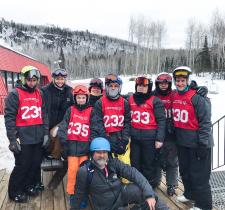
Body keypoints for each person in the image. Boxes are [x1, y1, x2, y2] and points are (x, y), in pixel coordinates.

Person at [71, 137, 169, 210]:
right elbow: (78, 195)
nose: (102, 155)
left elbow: (135, 174)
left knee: (142, 190)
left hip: (121, 195)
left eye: (104, 152)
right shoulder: (85, 171)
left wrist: (149, 195)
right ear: (92, 153)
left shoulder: (113, 163)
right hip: (106, 206)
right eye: (98, 152)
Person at [4, 66, 49, 202]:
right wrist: (12, 139)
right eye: (29, 80)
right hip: (23, 138)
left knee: (35, 164)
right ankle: (15, 191)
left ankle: (29, 185)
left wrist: (46, 133)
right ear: (23, 79)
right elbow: (9, 118)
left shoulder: (39, 94)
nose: (31, 83)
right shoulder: (15, 94)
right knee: (23, 165)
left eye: (34, 80)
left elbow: (44, 114)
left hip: (38, 136)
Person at [172, 66, 213, 210]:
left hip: (198, 143)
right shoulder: (174, 95)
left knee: (199, 176)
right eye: (178, 81)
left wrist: (203, 143)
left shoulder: (196, 97)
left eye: (183, 80)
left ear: (188, 80)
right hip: (183, 142)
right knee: (185, 171)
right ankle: (190, 194)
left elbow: (205, 122)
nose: (180, 83)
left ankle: (204, 205)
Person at [56, 84, 93, 209]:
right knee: (72, 172)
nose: (81, 100)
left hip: (85, 150)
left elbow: (95, 129)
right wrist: (64, 144)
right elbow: (62, 128)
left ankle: (83, 196)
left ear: (87, 98)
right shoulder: (70, 110)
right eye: (78, 98)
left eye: (83, 97)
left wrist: (91, 146)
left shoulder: (91, 111)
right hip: (72, 149)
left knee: (84, 174)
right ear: (75, 98)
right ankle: (73, 196)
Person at [129, 76, 166, 188]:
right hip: (135, 138)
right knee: (135, 163)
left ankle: (149, 187)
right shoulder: (130, 99)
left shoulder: (155, 101)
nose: (141, 88)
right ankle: (137, 186)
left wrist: (159, 138)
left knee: (148, 164)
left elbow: (161, 121)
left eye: (144, 86)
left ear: (149, 87)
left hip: (149, 139)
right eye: (139, 86)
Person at [91, 73, 131, 156]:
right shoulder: (100, 102)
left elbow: (127, 123)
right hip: (106, 139)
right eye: (111, 86)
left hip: (121, 139)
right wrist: (107, 140)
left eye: (116, 86)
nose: (113, 88)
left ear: (119, 87)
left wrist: (124, 140)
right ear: (106, 87)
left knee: (125, 166)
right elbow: (98, 124)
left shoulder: (125, 103)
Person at [153, 72, 178, 196]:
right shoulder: (152, 95)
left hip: (171, 133)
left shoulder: (174, 94)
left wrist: (197, 90)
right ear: (157, 84)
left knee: (172, 160)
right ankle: (156, 181)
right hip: (156, 132)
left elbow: (186, 96)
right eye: (161, 83)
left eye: (166, 83)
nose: (163, 85)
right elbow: (138, 96)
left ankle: (171, 185)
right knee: (156, 158)